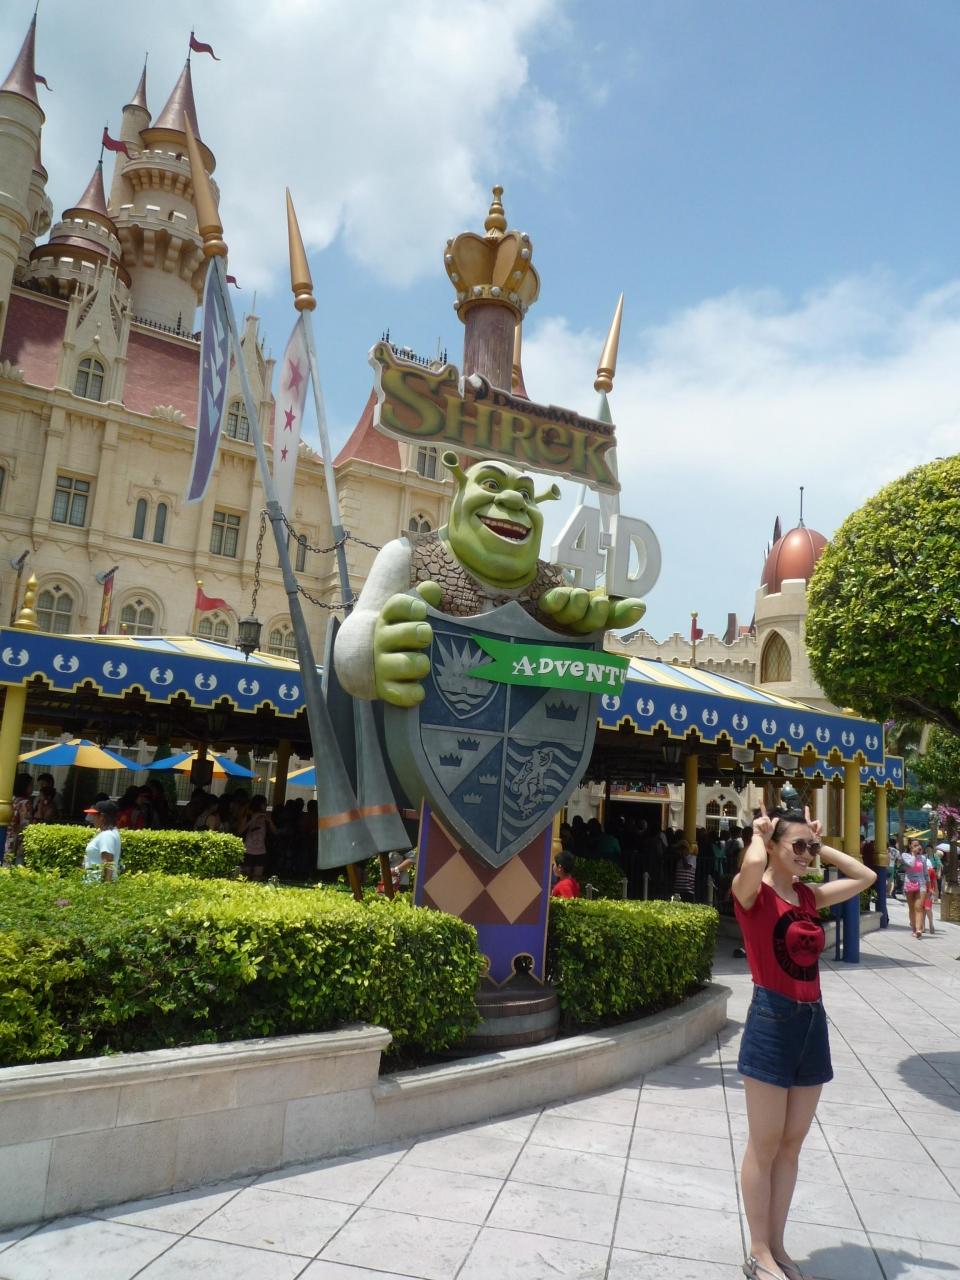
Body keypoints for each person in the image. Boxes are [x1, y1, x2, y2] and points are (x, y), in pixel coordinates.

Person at [733, 802, 875, 1280]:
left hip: (812, 1021)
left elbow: (864, 876)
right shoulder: (752, 894)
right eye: (797, 846)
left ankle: (777, 1246)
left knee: (791, 1144)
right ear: (773, 846)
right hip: (771, 1019)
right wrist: (760, 833)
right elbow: (754, 864)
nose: (806, 854)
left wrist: (820, 844)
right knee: (765, 1143)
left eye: (810, 848)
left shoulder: (809, 897)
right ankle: (758, 1252)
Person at [82, 799, 121, 882]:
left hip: (96, 884)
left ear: (102, 817)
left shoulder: (107, 835)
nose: (92, 819)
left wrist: (105, 886)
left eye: (94, 815)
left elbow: (108, 862)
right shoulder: (109, 833)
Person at [238, 794, 275, 880]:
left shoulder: (266, 818)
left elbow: (275, 832)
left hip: (261, 851)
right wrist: (252, 819)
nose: (266, 806)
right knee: (245, 877)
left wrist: (270, 821)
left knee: (257, 878)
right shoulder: (248, 817)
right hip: (247, 850)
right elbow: (239, 831)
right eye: (265, 804)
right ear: (260, 805)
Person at [900, 839, 932, 940]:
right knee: (912, 908)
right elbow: (911, 864)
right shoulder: (905, 855)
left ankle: (919, 929)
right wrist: (913, 854)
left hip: (921, 884)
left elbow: (926, 873)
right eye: (914, 845)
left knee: (919, 907)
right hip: (909, 883)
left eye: (918, 845)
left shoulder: (923, 858)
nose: (917, 847)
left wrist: (929, 886)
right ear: (910, 846)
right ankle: (914, 928)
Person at [4, 772, 34, 864]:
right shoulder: (26, 803)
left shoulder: (12, 800)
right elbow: (25, 826)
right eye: (31, 785)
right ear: (24, 786)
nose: (32, 788)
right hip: (17, 841)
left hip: (7, 837)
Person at [923, 858, 939, 936]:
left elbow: (934, 881)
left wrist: (936, 891)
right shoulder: (931, 870)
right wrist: (936, 891)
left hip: (925, 891)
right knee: (926, 908)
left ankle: (926, 925)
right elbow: (935, 882)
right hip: (926, 891)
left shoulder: (928, 870)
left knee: (924, 908)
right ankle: (929, 924)